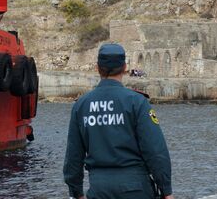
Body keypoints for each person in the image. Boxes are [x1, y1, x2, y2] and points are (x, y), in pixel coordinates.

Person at [63, 43, 173, 199]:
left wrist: (76, 192)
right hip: (135, 188)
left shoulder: (81, 105)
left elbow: (73, 156)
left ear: (97, 68)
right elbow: (155, 150)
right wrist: (166, 190)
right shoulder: (137, 102)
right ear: (124, 68)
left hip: (99, 189)